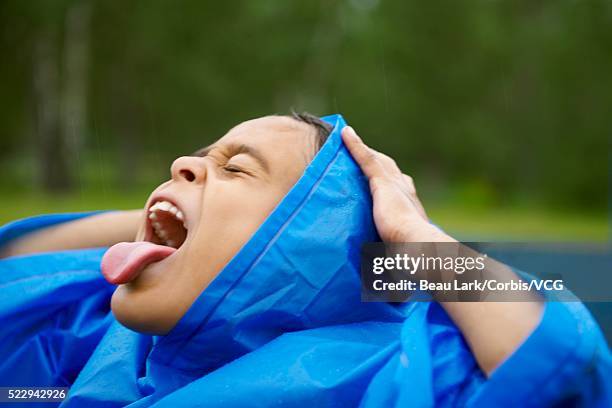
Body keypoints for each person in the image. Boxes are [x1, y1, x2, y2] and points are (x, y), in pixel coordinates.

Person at [0, 113, 609, 407]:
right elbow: (15, 265)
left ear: (308, 243)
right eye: (199, 155)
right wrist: (168, 218)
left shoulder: (383, 378)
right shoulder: (106, 334)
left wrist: (410, 235)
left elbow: (557, 361)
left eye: (236, 167)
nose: (183, 161)